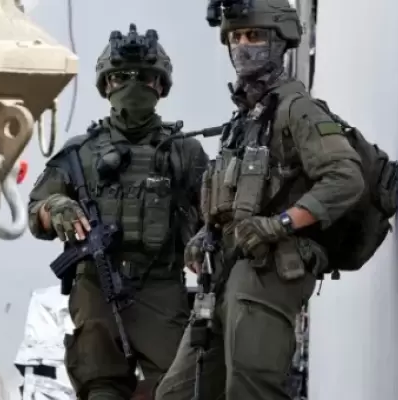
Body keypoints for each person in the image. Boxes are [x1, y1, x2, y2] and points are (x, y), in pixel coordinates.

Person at [154, 1, 366, 399]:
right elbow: (233, 199)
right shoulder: (245, 120)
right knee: (177, 393)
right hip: (223, 273)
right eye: (235, 37)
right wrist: (205, 233)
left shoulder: (297, 110)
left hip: (268, 271)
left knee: (251, 389)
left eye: (253, 36)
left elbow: (345, 177)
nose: (242, 45)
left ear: (280, 41)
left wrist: (280, 223)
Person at [27, 24, 209, 400]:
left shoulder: (184, 152)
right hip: (96, 287)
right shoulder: (79, 153)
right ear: (106, 84)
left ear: (160, 85)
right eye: (121, 77)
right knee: (101, 388)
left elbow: (214, 215)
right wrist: (55, 207)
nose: (132, 85)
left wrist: (205, 239)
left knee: (179, 388)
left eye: (144, 77)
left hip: (160, 287)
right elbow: (36, 212)